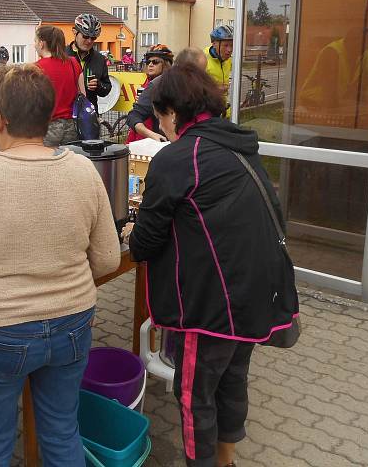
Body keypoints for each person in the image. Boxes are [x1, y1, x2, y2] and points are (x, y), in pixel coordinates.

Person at [0, 63, 121, 467]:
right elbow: (106, 260)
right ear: (49, 115)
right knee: (62, 431)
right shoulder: (83, 170)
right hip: (72, 321)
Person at [122, 64, 299, 467]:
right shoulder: (239, 144)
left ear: (172, 112)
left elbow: (145, 243)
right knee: (232, 382)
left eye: (160, 116)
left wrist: (135, 230)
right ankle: (226, 460)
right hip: (257, 293)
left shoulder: (179, 157)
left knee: (195, 397)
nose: (160, 126)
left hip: (213, 305)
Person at [34, 25, 83, 147]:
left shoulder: (35, 68)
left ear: (41, 43)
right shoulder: (73, 63)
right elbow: (83, 95)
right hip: (72, 127)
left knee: (47, 164)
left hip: (47, 127)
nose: (34, 45)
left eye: (35, 41)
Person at [126, 44, 174, 143]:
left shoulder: (172, 82)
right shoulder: (149, 83)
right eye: (148, 62)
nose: (150, 65)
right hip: (156, 139)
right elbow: (134, 115)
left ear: (166, 64)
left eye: (155, 62)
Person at [67, 13, 112, 114]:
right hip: (66, 115)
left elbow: (107, 87)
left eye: (93, 38)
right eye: (85, 36)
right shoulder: (62, 56)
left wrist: (98, 86)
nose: (89, 41)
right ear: (75, 32)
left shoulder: (100, 59)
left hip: (89, 115)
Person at [206, 25, 234, 100]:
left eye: (232, 45)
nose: (229, 50)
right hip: (208, 108)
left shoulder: (228, 60)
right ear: (214, 44)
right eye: (226, 45)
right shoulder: (202, 60)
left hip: (223, 107)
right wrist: (214, 90)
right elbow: (192, 89)